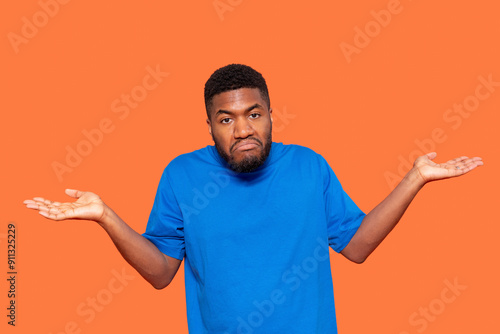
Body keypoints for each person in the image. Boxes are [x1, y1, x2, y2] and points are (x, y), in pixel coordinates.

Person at [24, 64, 483, 333]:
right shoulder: (182, 175)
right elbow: (161, 272)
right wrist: (106, 216)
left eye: (253, 114)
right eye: (226, 119)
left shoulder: (308, 166)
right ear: (209, 126)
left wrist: (416, 178)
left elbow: (357, 247)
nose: (242, 129)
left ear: (269, 114)